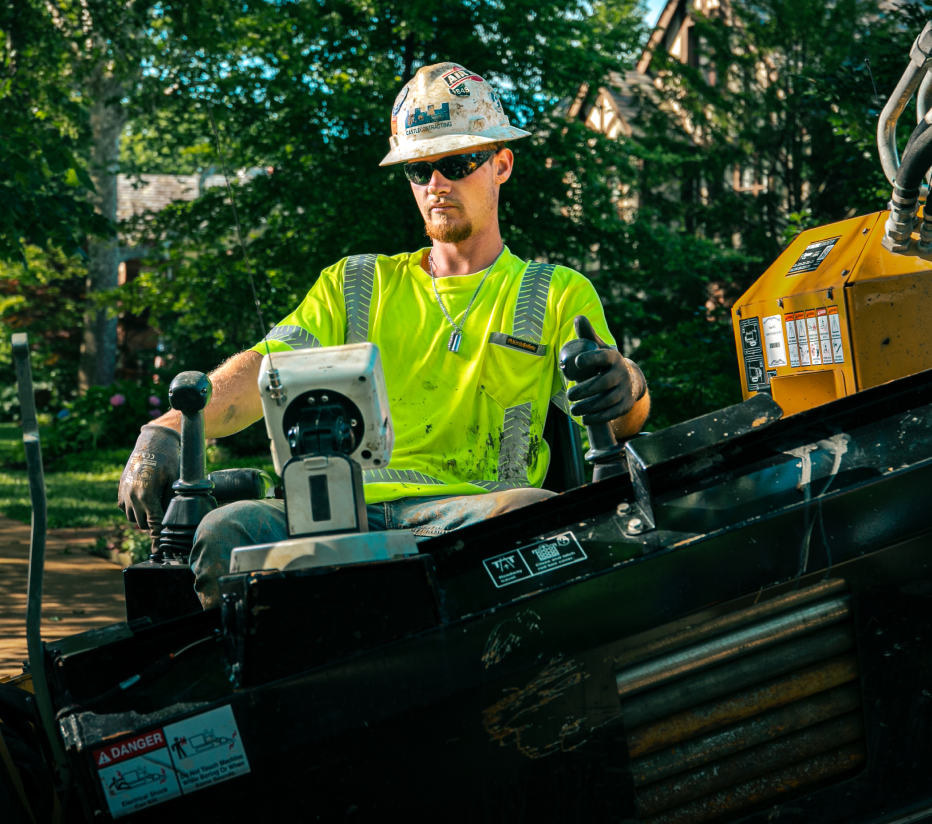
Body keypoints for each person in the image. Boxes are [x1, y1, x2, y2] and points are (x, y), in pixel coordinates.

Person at [118, 62, 650, 608]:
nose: (436, 184)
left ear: (501, 164)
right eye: (419, 170)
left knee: (534, 517)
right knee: (228, 529)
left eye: (457, 161)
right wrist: (166, 430)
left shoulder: (555, 291)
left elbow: (619, 418)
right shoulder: (356, 282)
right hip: (337, 514)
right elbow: (260, 374)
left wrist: (625, 381)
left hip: (475, 515)